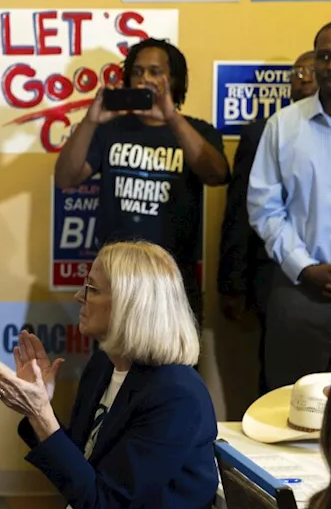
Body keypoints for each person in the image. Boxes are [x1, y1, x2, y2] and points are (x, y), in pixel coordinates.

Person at [0, 241, 217, 509]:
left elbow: (104, 505)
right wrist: (40, 407)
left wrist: (39, 414)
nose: (79, 296)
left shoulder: (176, 397)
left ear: (131, 305)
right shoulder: (102, 365)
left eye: (92, 289)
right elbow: (84, 465)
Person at [54, 38, 229, 326]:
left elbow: (217, 175)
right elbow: (65, 178)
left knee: (174, 367)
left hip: (173, 278)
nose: (144, 79)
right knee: (112, 368)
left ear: (173, 80)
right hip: (115, 278)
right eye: (137, 72)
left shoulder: (197, 131)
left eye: (155, 71)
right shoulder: (109, 130)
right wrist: (91, 121)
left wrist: (171, 117)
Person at [218, 50, 318, 391]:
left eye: (309, 69)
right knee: (283, 390)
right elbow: (242, 215)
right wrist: (232, 285)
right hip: (279, 280)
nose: (303, 76)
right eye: (297, 70)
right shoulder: (269, 131)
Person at [248, 23, 331, 389]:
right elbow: (265, 208)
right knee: (291, 412)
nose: (329, 65)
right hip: (301, 291)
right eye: (324, 56)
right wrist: (305, 267)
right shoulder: (282, 125)